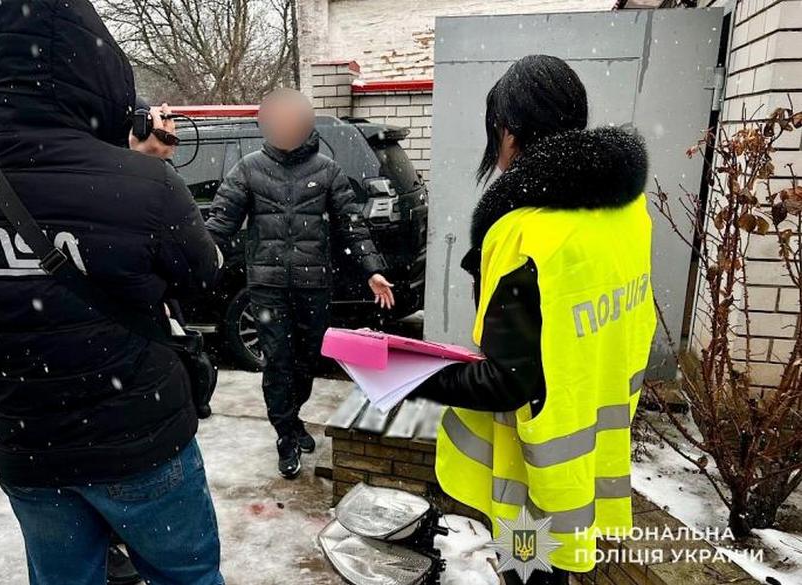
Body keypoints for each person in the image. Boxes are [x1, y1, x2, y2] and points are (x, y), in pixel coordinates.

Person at [0, 1, 224, 584]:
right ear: (99, 77)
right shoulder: (146, 182)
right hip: (138, 439)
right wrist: (144, 174)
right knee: (186, 576)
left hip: (26, 444)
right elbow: (203, 281)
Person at [410, 55, 656, 583]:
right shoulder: (626, 213)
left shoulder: (525, 233)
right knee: (553, 572)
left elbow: (507, 380)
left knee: (530, 569)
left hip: (533, 467)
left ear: (508, 131)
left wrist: (409, 376)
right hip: (593, 441)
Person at [206, 89, 395, 479]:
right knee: (277, 360)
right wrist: (199, 260)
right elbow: (219, 225)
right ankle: (285, 434)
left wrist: (371, 269)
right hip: (267, 286)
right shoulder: (248, 169)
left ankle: (292, 419)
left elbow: (351, 225)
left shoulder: (327, 170)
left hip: (314, 284)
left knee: (309, 359)